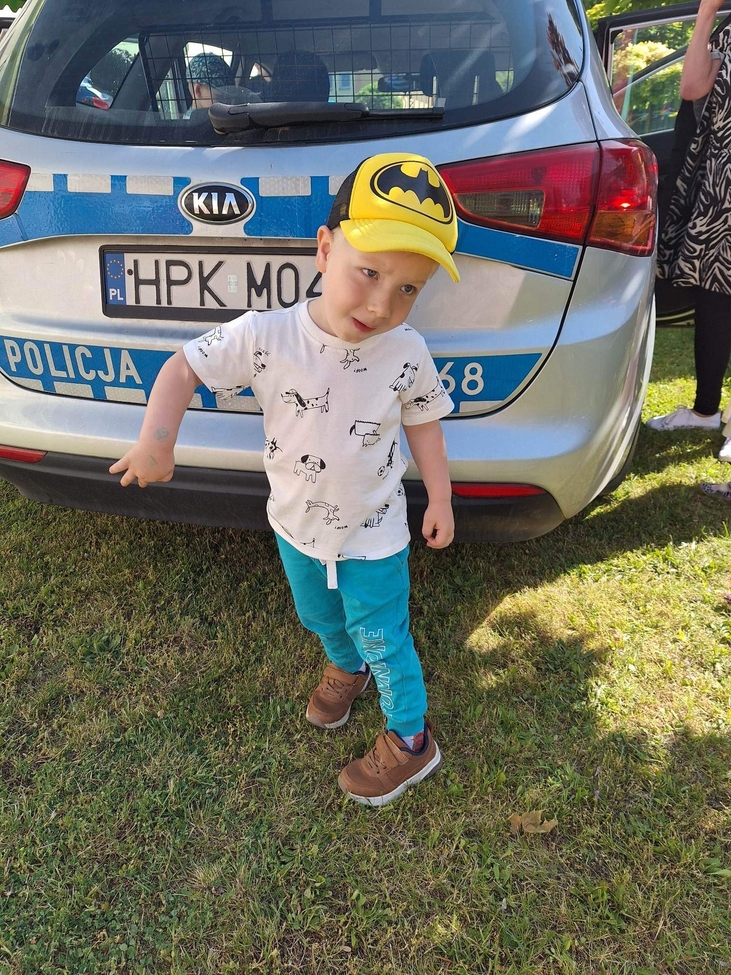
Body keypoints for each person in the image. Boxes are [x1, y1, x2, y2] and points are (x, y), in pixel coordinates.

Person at [109, 152, 460, 806]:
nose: (383, 304)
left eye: (409, 289)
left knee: (383, 636)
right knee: (317, 614)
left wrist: (438, 497)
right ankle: (346, 668)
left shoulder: (407, 350)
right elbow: (184, 366)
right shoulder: (267, 335)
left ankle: (411, 740)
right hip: (295, 525)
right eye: (369, 273)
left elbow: (424, 424)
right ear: (324, 250)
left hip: (374, 536)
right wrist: (156, 443)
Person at [648, 0, 731, 462]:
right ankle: (705, 411)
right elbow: (692, 88)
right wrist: (706, 14)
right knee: (714, 297)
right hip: (721, 185)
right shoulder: (727, 34)